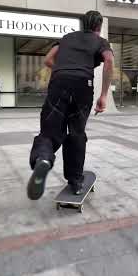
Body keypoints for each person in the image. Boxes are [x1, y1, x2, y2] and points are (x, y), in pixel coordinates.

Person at [27, 10, 114, 200]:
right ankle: (75, 181)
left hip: (59, 83)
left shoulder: (66, 38)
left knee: (49, 132)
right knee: (76, 133)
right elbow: (108, 60)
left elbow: (48, 59)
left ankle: (43, 158)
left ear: (82, 24)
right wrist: (104, 96)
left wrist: (62, 69)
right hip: (83, 86)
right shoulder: (100, 41)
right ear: (98, 27)